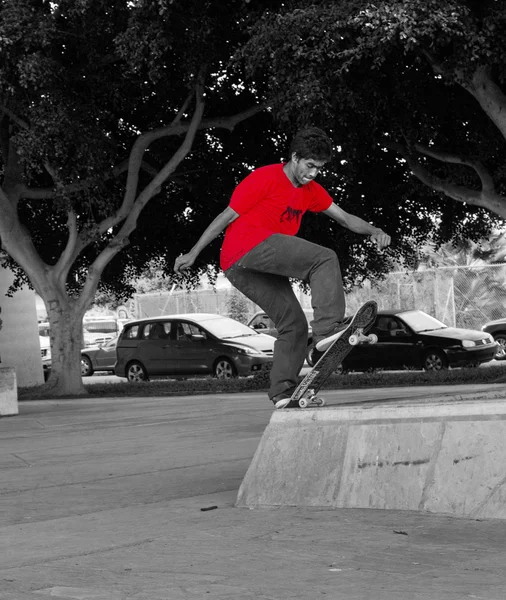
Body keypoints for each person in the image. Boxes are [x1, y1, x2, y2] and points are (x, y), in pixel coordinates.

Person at [174, 127, 391, 408]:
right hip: (246, 248)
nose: (312, 174)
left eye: (319, 168)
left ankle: (283, 392)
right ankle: (327, 330)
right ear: (294, 157)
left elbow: (346, 218)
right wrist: (194, 252)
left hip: (241, 269)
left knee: (294, 324)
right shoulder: (265, 178)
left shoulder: (311, 191)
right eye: (309, 166)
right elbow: (225, 216)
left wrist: (374, 230)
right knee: (324, 259)